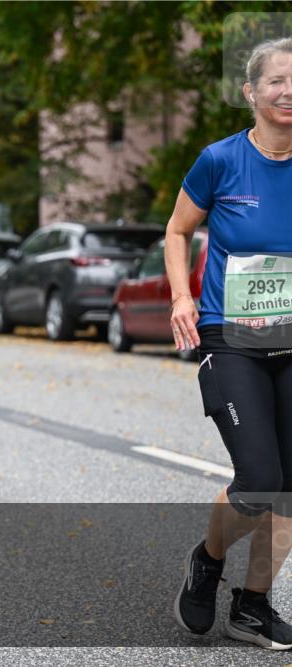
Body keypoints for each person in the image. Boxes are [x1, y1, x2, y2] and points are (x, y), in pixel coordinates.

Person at [168, 37, 292, 650]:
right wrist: (180, 296)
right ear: (251, 92)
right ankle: (208, 559)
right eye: (276, 81)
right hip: (231, 336)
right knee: (260, 477)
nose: (288, 91)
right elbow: (176, 229)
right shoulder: (219, 160)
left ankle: (252, 606)